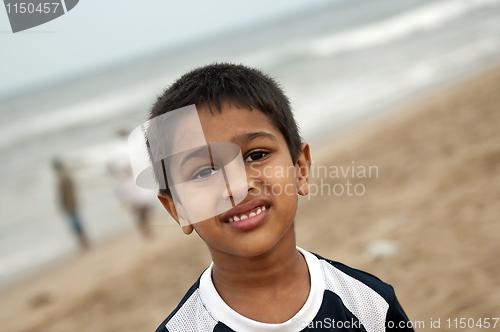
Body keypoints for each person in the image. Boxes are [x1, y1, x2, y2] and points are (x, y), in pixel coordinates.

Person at [146, 64, 413, 332]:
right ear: (177, 209)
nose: (238, 186)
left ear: (300, 168)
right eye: (204, 171)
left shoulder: (371, 304)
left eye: (256, 155)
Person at [107, 129, 154, 239]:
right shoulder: (122, 149)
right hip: (129, 182)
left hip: (128, 182)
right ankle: (144, 228)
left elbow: (110, 168)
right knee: (142, 206)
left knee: (141, 206)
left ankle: (144, 227)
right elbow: (124, 166)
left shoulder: (118, 149)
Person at [53, 158, 90, 250]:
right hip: (72, 203)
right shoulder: (67, 176)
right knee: (77, 223)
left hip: (69, 205)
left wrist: (64, 205)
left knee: (75, 224)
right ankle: (84, 241)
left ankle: (83, 241)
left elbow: (64, 194)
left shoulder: (63, 178)